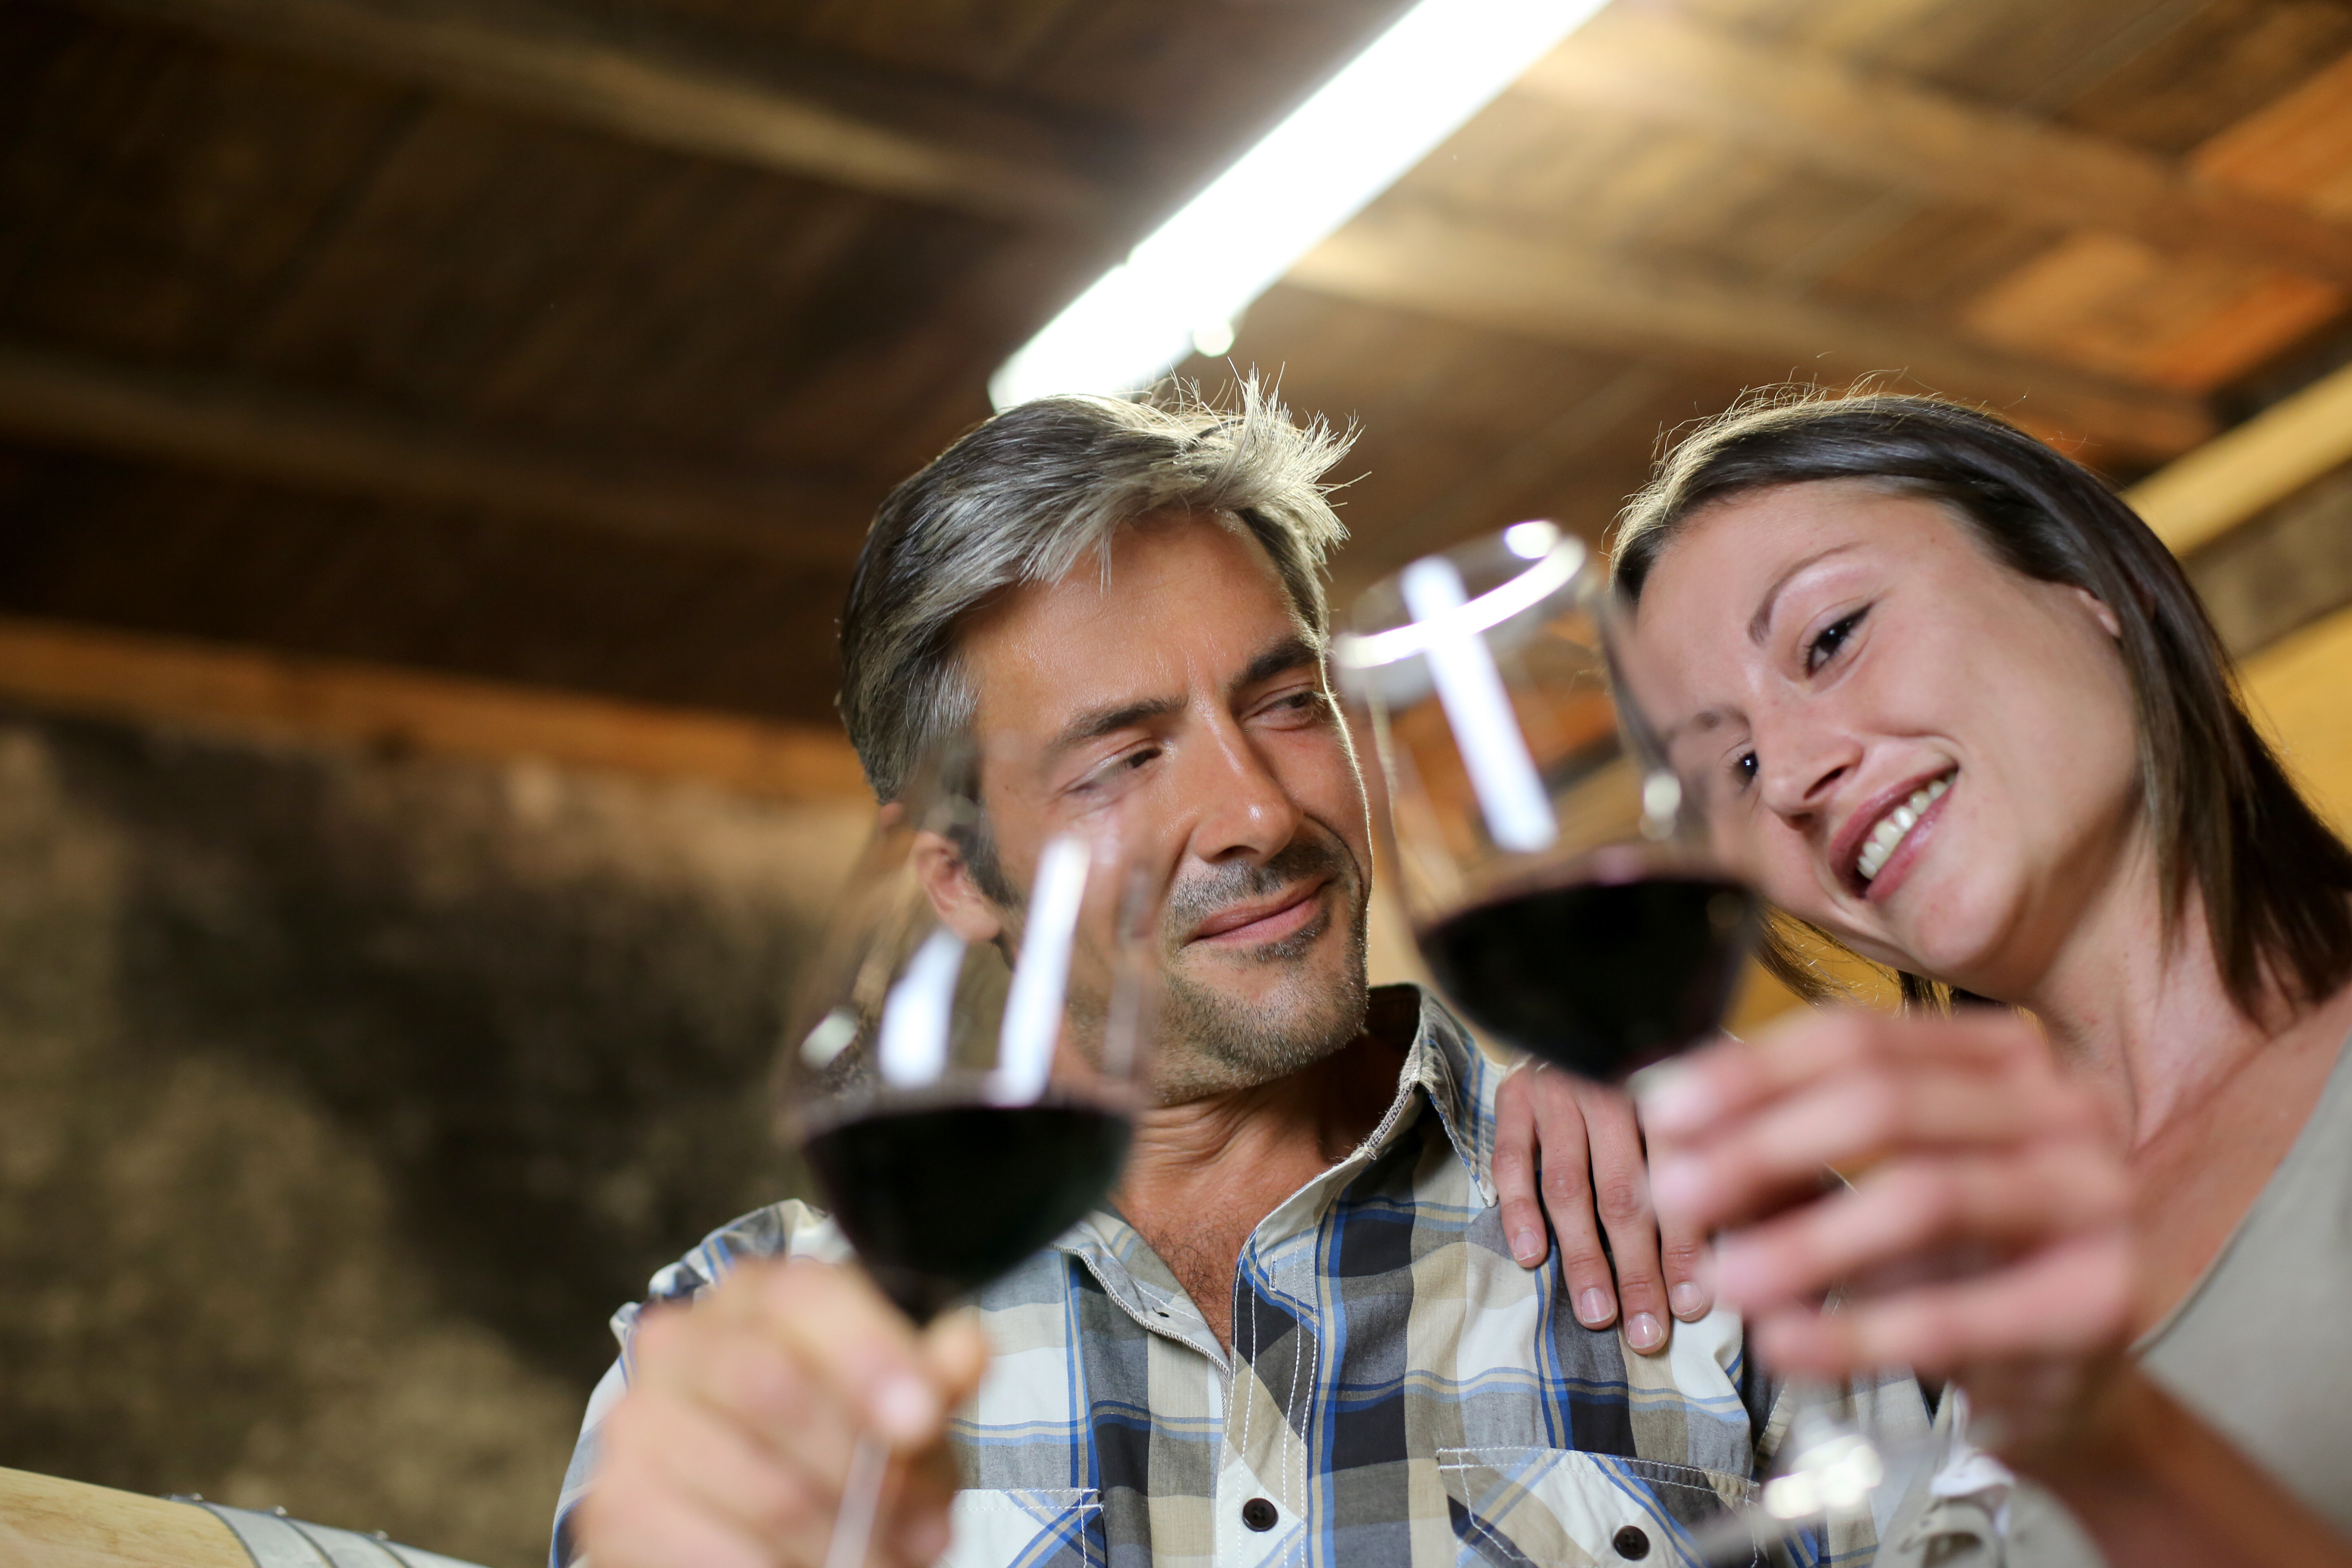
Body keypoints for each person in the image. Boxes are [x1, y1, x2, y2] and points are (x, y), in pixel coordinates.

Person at [552, 386, 1932, 1568]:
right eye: (1122, 760)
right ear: (964, 879)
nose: (1260, 815)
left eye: (1287, 703)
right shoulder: (746, 1350)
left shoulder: (1703, 1212)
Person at [1490, 390, 2351, 1565]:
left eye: (1832, 638)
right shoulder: (1940, 1302)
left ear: (2084, 581)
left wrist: (2109, 1452)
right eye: (1728, 769)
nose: (1790, 774)